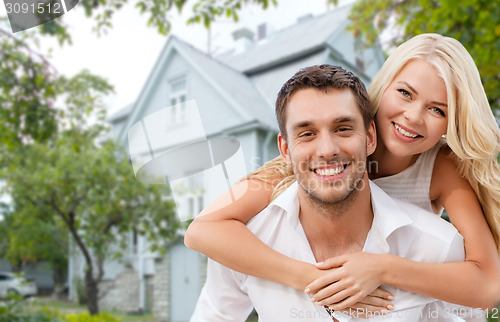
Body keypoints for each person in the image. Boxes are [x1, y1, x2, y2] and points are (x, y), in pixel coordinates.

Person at [185, 34, 500, 312]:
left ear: (451, 124)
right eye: (405, 93)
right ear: (384, 87)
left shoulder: (441, 166)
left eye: (438, 110)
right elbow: (202, 230)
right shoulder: (322, 154)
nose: (414, 116)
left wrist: (383, 269)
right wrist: (314, 278)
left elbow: (488, 285)